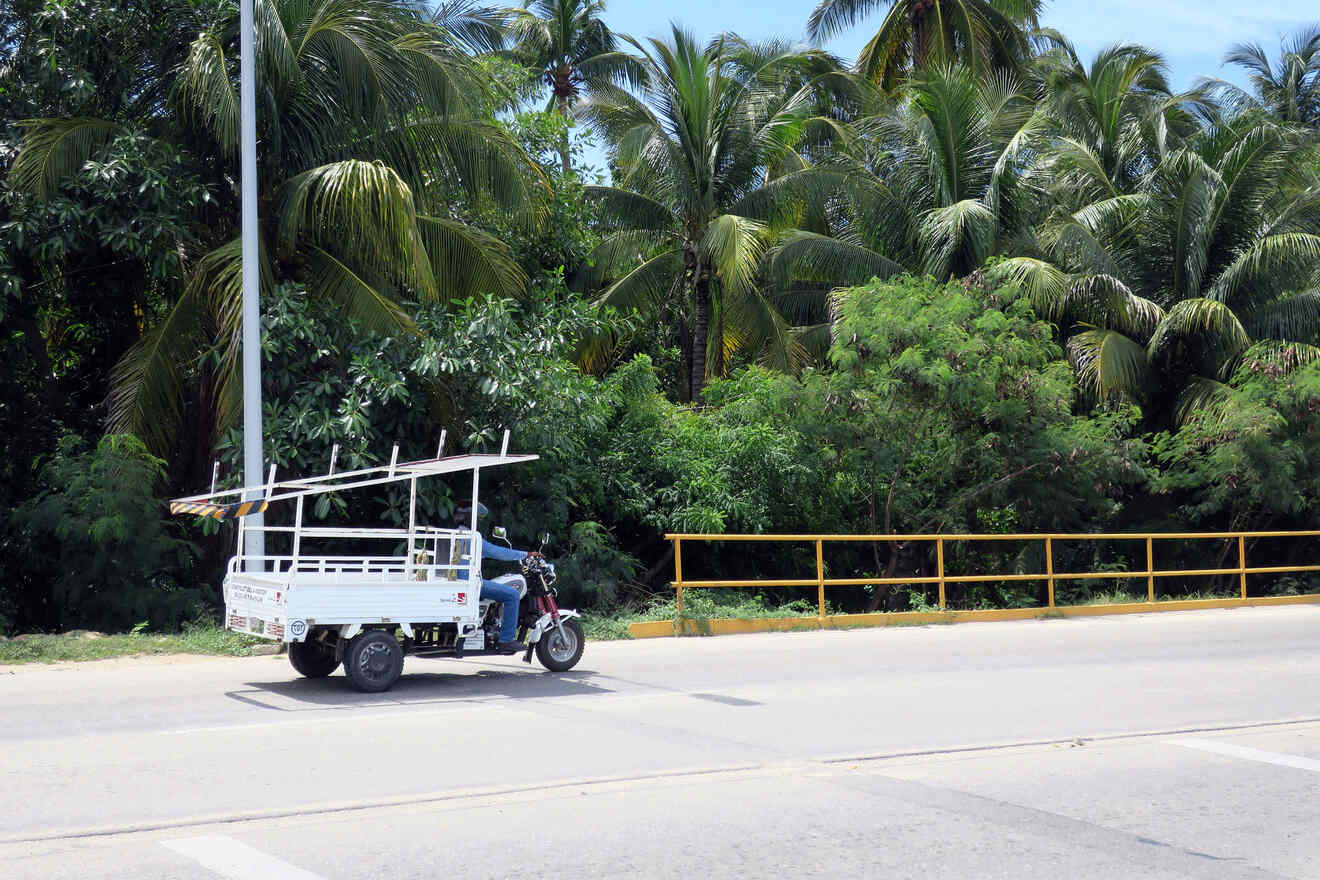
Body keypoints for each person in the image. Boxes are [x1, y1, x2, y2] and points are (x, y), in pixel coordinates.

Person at [454, 502, 539, 654]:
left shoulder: (455, 534)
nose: (479, 522)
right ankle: (506, 640)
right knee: (512, 594)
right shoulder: (472, 538)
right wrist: (525, 554)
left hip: (459, 582)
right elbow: (497, 552)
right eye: (477, 519)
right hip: (471, 584)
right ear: (470, 518)